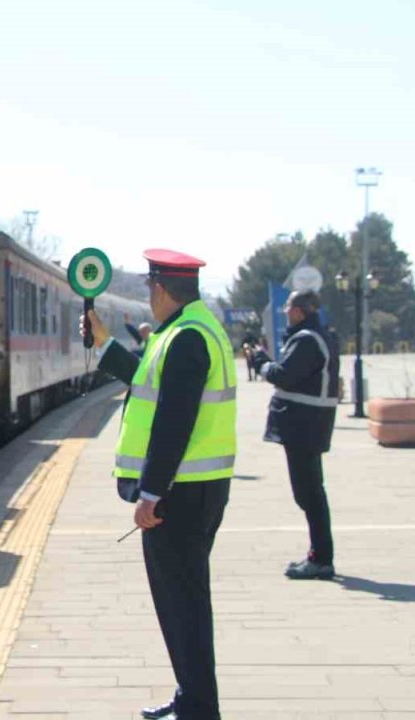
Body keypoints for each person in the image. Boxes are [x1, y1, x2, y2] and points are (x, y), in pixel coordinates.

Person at [83, 249, 235, 720]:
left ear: (161, 289)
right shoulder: (187, 330)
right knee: (181, 599)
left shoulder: (186, 338)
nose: (148, 297)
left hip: (180, 493)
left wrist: (151, 493)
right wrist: (105, 345)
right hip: (195, 487)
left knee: (182, 601)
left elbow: (174, 420)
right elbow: (146, 380)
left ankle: (198, 708)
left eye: (149, 288)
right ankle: (191, 697)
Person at [251, 290, 340, 580]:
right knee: (311, 492)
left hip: (303, 423)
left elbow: (284, 375)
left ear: (300, 311)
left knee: (309, 494)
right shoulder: (320, 335)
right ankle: (319, 555)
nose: (286, 313)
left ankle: (321, 559)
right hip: (310, 423)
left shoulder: (306, 339)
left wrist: (261, 363)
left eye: (288, 308)